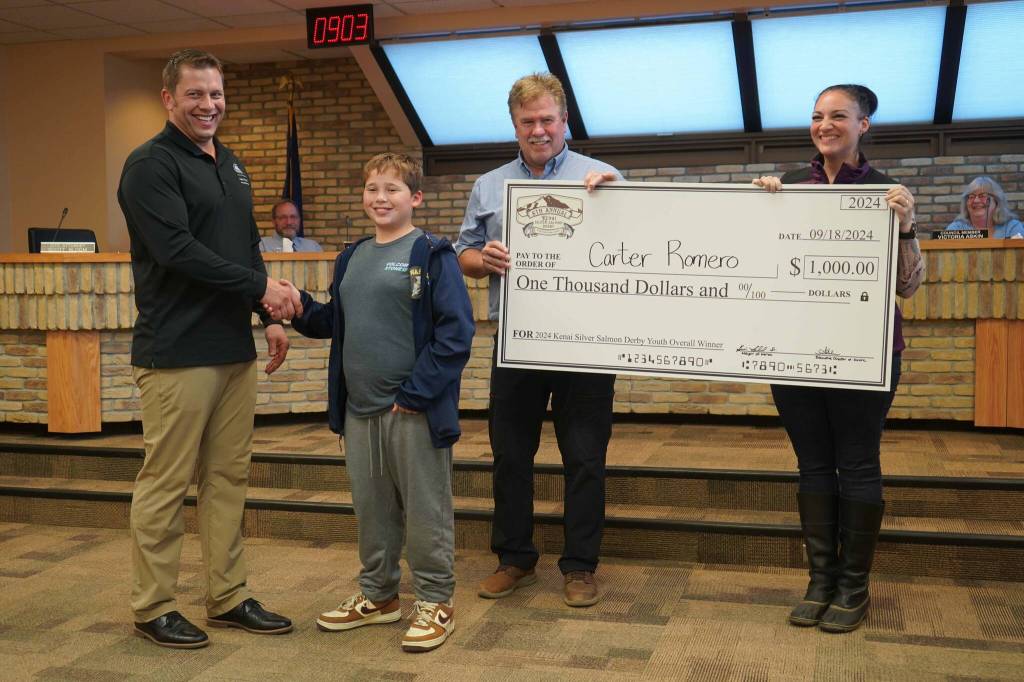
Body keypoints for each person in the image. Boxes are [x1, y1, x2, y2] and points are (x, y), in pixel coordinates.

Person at [118, 48, 300, 649]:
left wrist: (265, 312)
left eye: (216, 94)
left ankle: (227, 595)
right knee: (166, 484)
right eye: (195, 94)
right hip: (176, 352)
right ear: (169, 98)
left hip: (232, 348)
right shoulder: (150, 165)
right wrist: (261, 286)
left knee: (227, 479)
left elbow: (244, 242)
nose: (208, 105)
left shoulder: (232, 163)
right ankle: (154, 606)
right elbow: (177, 251)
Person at [753, 84, 925, 633]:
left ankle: (854, 586)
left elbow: (910, 287)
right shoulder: (788, 190)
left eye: (838, 116)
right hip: (794, 353)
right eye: (817, 116)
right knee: (811, 464)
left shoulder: (886, 193)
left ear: (863, 125)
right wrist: (754, 214)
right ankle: (820, 580)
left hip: (864, 356)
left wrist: (907, 229)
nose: (825, 125)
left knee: (856, 463)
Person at [290, 153, 474, 653]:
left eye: (392, 189)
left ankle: (436, 601)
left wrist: (415, 395)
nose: (380, 198)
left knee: (424, 510)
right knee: (372, 510)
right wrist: (300, 308)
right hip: (360, 409)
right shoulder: (352, 256)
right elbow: (338, 323)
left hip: (411, 409)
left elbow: (456, 336)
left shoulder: (433, 255)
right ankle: (379, 596)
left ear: (414, 197)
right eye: (372, 188)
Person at [455, 72, 621, 608]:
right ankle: (515, 559)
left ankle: (580, 566)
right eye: (528, 121)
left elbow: (635, 247)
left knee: (585, 457)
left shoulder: (604, 176)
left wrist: (617, 207)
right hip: (518, 340)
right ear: (514, 124)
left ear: (564, 120)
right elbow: (464, 254)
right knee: (509, 454)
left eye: (547, 119)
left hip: (586, 342)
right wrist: (486, 260)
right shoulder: (489, 185)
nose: (539, 129)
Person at [945, 176, 1024, 238]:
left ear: (996, 201)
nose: (976, 201)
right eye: (971, 196)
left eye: (983, 196)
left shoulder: (1011, 227)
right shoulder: (956, 228)